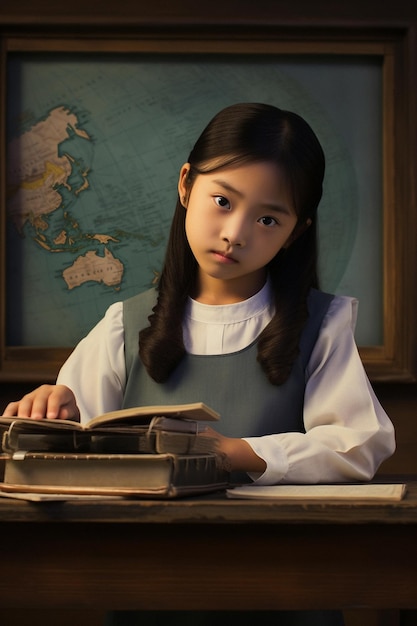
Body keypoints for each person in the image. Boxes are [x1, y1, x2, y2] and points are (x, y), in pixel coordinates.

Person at [4, 103, 395, 626]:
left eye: (267, 218)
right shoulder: (124, 324)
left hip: (287, 584)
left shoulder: (321, 326)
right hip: (153, 582)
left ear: (295, 231)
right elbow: (80, 444)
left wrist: (240, 454)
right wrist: (54, 410)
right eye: (222, 201)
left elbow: (358, 443)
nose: (236, 232)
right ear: (186, 185)